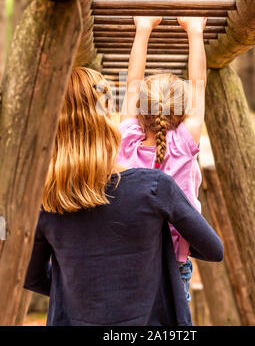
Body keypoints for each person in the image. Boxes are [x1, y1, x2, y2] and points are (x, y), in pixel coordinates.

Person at [24, 67, 223, 326]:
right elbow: (213, 249)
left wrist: (80, 294)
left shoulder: (47, 200)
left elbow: (32, 277)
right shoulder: (154, 188)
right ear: (108, 114)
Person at [117, 16, 207, 301]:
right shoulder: (184, 142)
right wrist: (195, 32)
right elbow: (199, 84)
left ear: (140, 111)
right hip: (174, 263)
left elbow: (132, 83)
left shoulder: (127, 140)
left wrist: (142, 30)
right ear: (183, 111)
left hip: (129, 258)